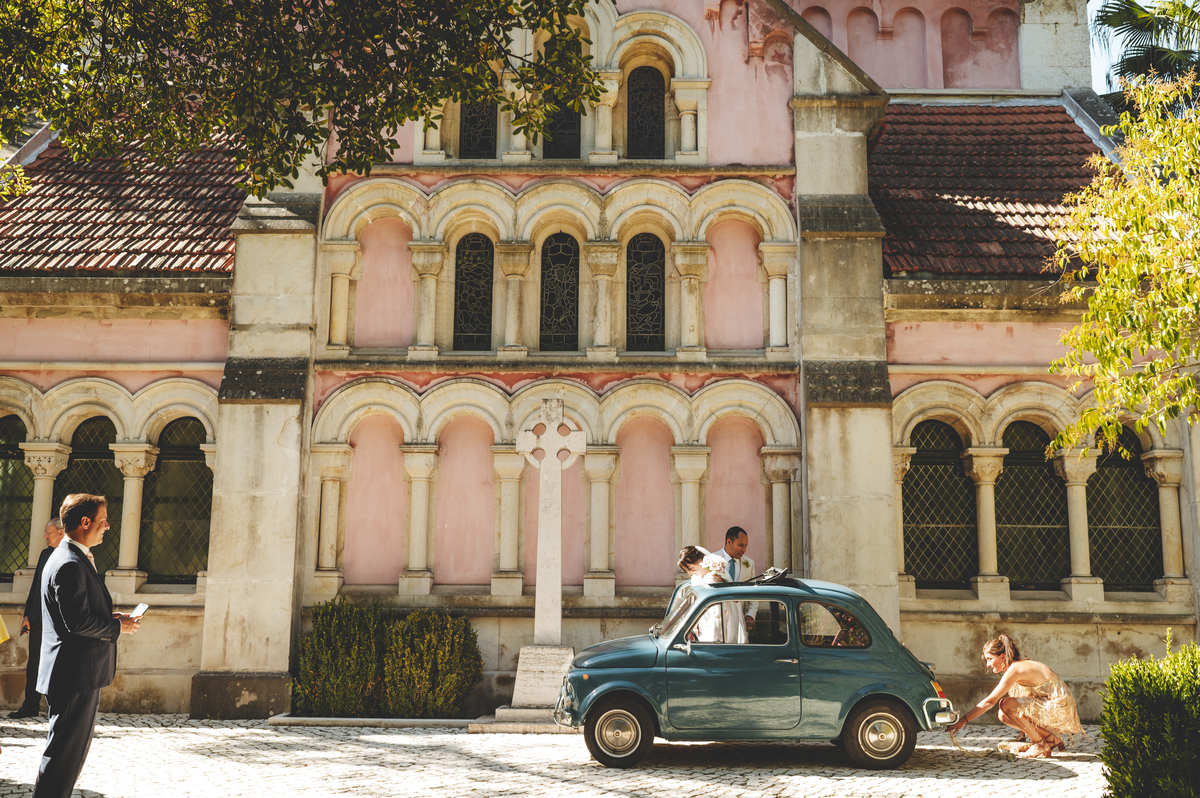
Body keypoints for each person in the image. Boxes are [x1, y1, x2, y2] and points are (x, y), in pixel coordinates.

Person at [33, 494, 140, 798]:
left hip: (76, 674)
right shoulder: (68, 562)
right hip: (73, 675)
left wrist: (110, 616)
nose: (108, 526)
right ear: (84, 523)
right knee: (62, 757)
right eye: (103, 519)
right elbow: (77, 624)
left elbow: (78, 612)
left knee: (68, 756)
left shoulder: (74, 557)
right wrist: (119, 627)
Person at [946, 633, 1084, 759]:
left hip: (1059, 706)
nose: (988, 664)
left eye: (989, 659)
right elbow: (1025, 702)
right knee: (1003, 715)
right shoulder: (1017, 667)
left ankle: (1040, 744)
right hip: (1049, 703)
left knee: (1004, 704)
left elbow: (990, 701)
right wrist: (1023, 734)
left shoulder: (1015, 669)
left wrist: (963, 720)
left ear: (1002, 657)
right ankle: (1050, 739)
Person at [10, 518, 66, 719]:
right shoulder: (45, 554)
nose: (45, 536)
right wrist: (27, 615)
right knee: (34, 664)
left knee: (59, 664)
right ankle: (30, 705)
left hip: (61, 621)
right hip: (39, 619)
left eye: (48, 532)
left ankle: (58, 707)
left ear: (61, 532)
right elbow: (35, 588)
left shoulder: (70, 555)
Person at [711, 526, 757, 630]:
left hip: (740, 622)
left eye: (746, 546)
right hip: (717, 621)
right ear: (728, 542)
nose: (744, 550)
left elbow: (754, 592)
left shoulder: (749, 564)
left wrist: (751, 614)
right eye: (741, 545)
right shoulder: (711, 560)